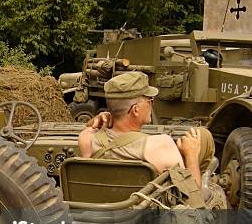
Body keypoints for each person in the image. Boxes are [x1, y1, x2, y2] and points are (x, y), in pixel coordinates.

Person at [78, 71, 215, 186]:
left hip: (104, 208)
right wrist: (191, 155)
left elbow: (91, 130)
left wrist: (102, 118)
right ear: (136, 110)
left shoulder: (86, 139)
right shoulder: (160, 145)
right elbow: (192, 196)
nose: (152, 105)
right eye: (149, 101)